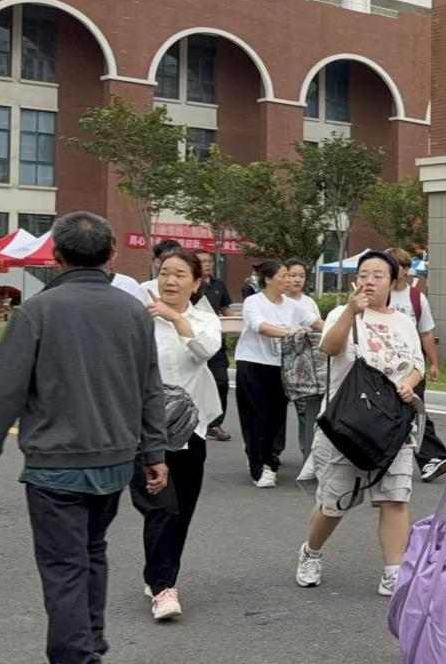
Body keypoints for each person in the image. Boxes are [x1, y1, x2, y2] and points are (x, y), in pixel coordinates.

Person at [0, 211, 168, 664]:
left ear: (56, 256)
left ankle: (76, 655)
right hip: (115, 460)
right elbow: (150, 387)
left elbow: (6, 390)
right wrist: (154, 451)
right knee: (92, 551)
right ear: (112, 254)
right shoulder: (134, 313)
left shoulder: (37, 311)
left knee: (64, 567)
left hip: (54, 464)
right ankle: (90, 641)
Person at [295, 251, 424, 596]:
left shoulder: (403, 322)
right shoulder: (342, 313)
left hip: (393, 423)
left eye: (378, 275)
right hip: (348, 423)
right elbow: (329, 348)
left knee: (395, 498)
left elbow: (417, 364)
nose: (369, 281)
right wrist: (351, 312)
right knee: (335, 502)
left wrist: (409, 383)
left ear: (392, 282)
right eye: (364, 274)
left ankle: (393, 572)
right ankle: (311, 552)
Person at [133, 250, 223, 621]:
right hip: (144, 429)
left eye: (180, 274)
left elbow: (204, 352)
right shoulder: (139, 316)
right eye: (165, 272)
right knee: (161, 506)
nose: (170, 280)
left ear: (197, 283)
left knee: (181, 509)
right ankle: (163, 587)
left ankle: (158, 572)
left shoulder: (204, 319)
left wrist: (176, 319)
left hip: (190, 428)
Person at [234, 259, 317, 488]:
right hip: (253, 364)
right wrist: (290, 332)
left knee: (275, 417)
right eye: (284, 276)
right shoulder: (253, 302)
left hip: (281, 366)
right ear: (268, 279)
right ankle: (261, 467)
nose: (289, 280)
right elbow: (260, 326)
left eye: (291, 276)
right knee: (255, 417)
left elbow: (316, 322)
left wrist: (342, 328)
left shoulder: (293, 305)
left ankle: (266, 458)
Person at [383, 247, 446, 482]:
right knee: (384, 411)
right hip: (381, 364)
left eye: (396, 266)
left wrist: (434, 363)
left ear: (406, 270)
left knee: (414, 408)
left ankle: (432, 457)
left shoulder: (416, 298)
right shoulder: (379, 294)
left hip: (411, 365)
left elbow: (426, 333)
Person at [274, 258, 325, 463]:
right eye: (292, 275)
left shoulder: (308, 303)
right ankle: (272, 454)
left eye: (301, 276)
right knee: (276, 410)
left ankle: (309, 455)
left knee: (306, 411)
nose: (296, 280)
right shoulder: (274, 300)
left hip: (303, 365)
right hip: (277, 360)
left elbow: (319, 328)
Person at [195, 250, 236, 441]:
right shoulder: (189, 284)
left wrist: (238, 324)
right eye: (202, 261)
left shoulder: (218, 285)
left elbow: (226, 309)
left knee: (221, 382)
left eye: (209, 261)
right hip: (193, 341)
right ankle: (191, 421)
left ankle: (215, 423)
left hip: (215, 342)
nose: (207, 264)